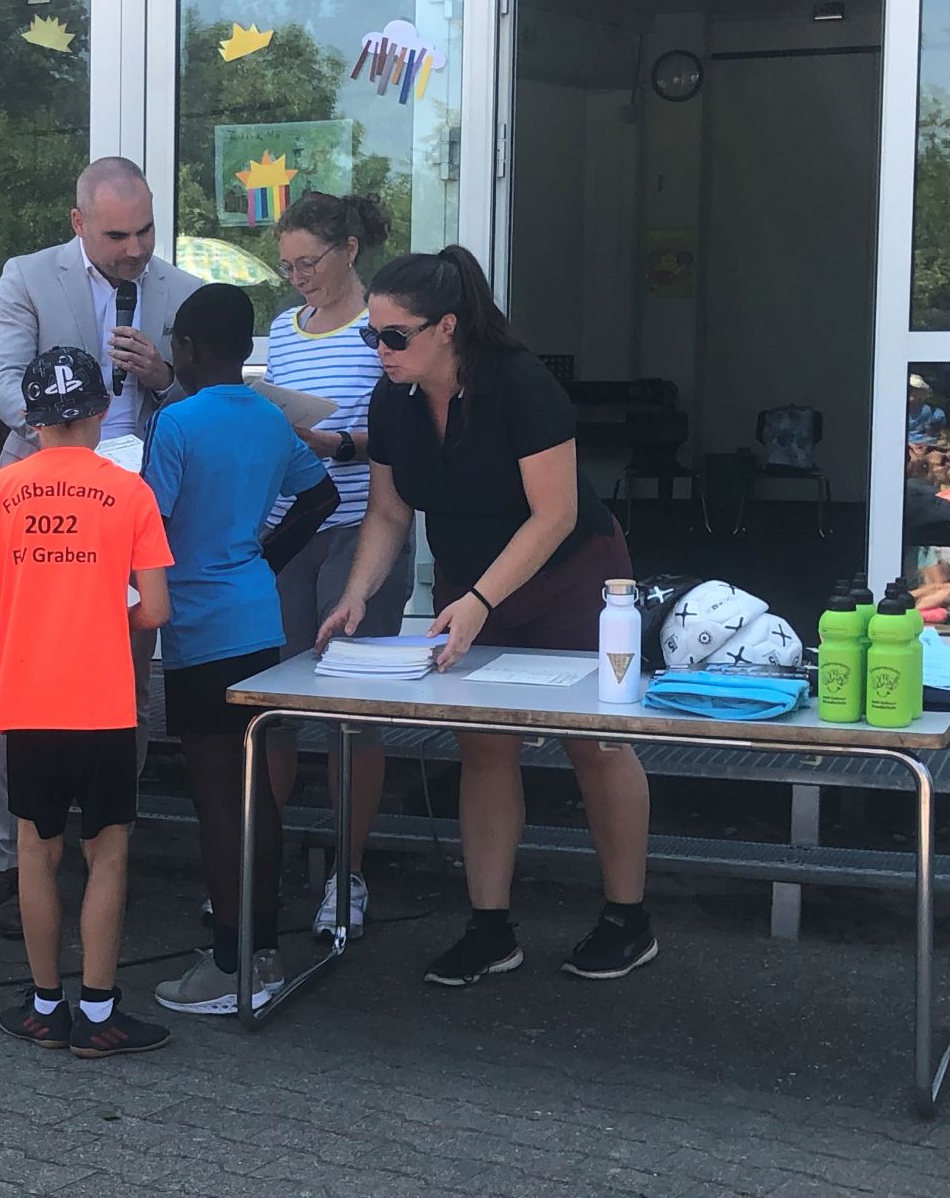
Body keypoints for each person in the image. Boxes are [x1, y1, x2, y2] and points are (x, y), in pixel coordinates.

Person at [319, 246, 655, 986]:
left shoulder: (520, 384)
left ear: (447, 327)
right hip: (469, 583)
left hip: (570, 575)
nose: (380, 350)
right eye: (371, 335)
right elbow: (388, 512)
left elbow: (553, 514)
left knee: (597, 743)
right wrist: (356, 591)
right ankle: (490, 927)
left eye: (394, 335)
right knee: (483, 747)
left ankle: (628, 919)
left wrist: (477, 601)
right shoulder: (392, 399)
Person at [0, 156, 203, 936]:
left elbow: (204, 397)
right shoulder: (28, 277)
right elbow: (2, 382)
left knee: (126, 686)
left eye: (146, 231)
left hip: (133, 511)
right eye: (117, 236)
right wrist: (64, 427)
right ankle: (16, 863)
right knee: (25, 685)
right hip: (42, 497)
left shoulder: (179, 289)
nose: (135, 249)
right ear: (79, 225)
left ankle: (108, 851)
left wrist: (164, 376)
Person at [0, 346, 176, 1057]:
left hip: (27, 699)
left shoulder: (2, 489)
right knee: (107, 852)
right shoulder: (129, 493)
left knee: (35, 850)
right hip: (104, 702)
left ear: (31, 418)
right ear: (103, 409)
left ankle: (46, 1005)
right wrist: (109, 613)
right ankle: (100, 1011)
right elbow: (156, 609)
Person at [145, 285, 338, 1017]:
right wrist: (263, 557)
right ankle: (264, 949)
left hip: (199, 624)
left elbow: (151, 523)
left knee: (217, 796)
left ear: (187, 348)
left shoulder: (176, 420)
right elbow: (320, 499)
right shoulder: (269, 417)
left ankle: (231, 962)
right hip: (257, 621)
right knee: (256, 792)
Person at [262, 192, 410, 943]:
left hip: (362, 527)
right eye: (288, 267)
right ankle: (261, 865)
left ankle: (346, 874)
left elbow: (403, 427)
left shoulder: (378, 328)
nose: (299, 279)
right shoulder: (280, 331)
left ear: (350, 249)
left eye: (309, 262)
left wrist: (340, 445)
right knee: (274, 704)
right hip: (291, 529)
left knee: (350, 713)